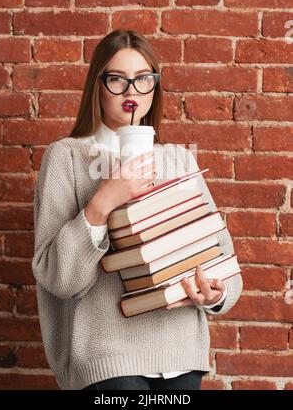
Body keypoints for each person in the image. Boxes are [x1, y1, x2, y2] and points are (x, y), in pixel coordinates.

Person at [32, 29, 243, 391]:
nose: (132, 91)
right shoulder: (67, 157)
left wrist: (216, 293)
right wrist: (102, 202)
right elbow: (57, 280)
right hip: (107, 359)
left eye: (143, 79)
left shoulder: (179, 159)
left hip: (181, 356)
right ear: (97, 85)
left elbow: (225, 262)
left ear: (154, 87)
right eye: (117, 79)